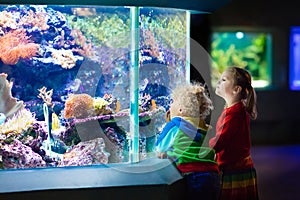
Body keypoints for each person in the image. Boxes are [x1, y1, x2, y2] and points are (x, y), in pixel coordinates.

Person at [155, 82, 220, 199]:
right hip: (212, 173)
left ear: (180, 109)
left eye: (172, 102)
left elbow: (160, 147)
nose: (170, 106)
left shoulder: (176, 124)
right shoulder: (205, 127)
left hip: (191, 173)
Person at [209, 66, 259, 200]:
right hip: (238, 167)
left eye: (224, 80)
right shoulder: (235, 110)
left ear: (236, 89)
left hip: (235, 170)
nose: (219, 82)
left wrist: (204, 148)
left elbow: (221, 140)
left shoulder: (234, 114)